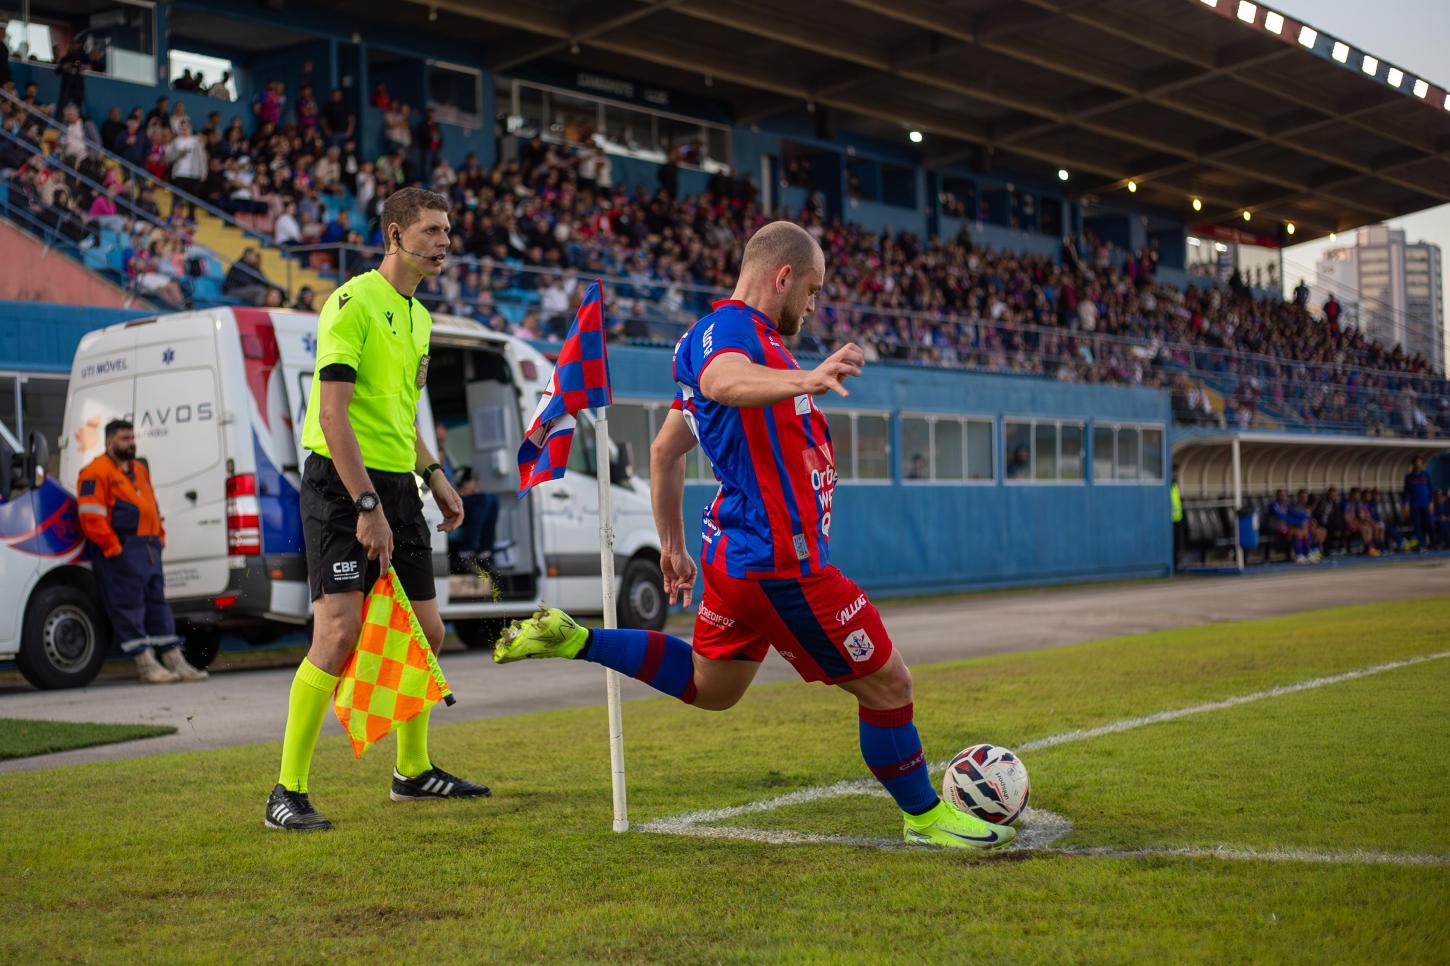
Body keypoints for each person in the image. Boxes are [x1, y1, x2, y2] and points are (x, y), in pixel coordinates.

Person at [494, 221, 1015, 851]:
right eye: (814, 290)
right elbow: (722, 382)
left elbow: (665, 450)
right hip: (778, 562)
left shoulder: (733, 339)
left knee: (714, 688)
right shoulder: (732, 335)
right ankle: (926, 817)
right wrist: (807, 380)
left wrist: (672, 546)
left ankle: (577, 638)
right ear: (783, 275)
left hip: (736, 554)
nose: (816, 305)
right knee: (889, 684)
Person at [266, 186, 483, 832]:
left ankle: (412, 773)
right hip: (340, 483)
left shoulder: (420, 318)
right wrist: (365, 505)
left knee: (430, 633)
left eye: (448, 231)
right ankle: (286, 792)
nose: (446, 242)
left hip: (398, 484)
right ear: (394, 235)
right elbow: (333, 417)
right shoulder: (350, 303)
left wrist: (436, 475)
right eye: (434, 231)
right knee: (337, 634)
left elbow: (400, 413)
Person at [76, 420, 208, 684]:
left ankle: (175, 662)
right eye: (124, 438)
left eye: (132, 437)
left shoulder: (138, 469)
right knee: (129, 606)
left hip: (148, 549)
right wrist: (113, 548)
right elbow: (90, 516)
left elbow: (151, 505)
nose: (131, 442)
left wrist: (159, 537)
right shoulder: (95, 472)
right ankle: (146, 665)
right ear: (110, 441)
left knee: (158, 605)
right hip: (120, 550)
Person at [434, 420, 498, 572]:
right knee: (482, 500)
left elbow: (452, 482)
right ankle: (465, 552)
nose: (444, 433)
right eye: (441, 428)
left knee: (493, 500)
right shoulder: (433, 453)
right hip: (443, 501)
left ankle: (485, 552)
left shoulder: (445, 453)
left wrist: (466, 488)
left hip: (455, 495)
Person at [1403, 458, 1433, 552]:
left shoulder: (1425, 475)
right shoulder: (1409, 477)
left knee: (1428, 524)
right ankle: (1422, 545)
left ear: (1422, 464)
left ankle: (1433, 544)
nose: (1418, 465)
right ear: (1413, 464)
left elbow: (1431, 489)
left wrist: (1431, 502)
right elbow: (1406, 492)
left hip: (1425, 504)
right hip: (1414, 505)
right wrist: (1405, 505)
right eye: (1416, 463)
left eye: (1419, 463)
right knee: (1417, 526)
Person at [1170, 464, 1184, 571]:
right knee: (1173, 544)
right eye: (1175, 472)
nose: (1176, 475)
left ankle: (1177, 564)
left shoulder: (1175, 485)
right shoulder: (1169, 485)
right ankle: (1174, 566)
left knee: (1178, 544)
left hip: (1178, 518)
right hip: (1170, 520)